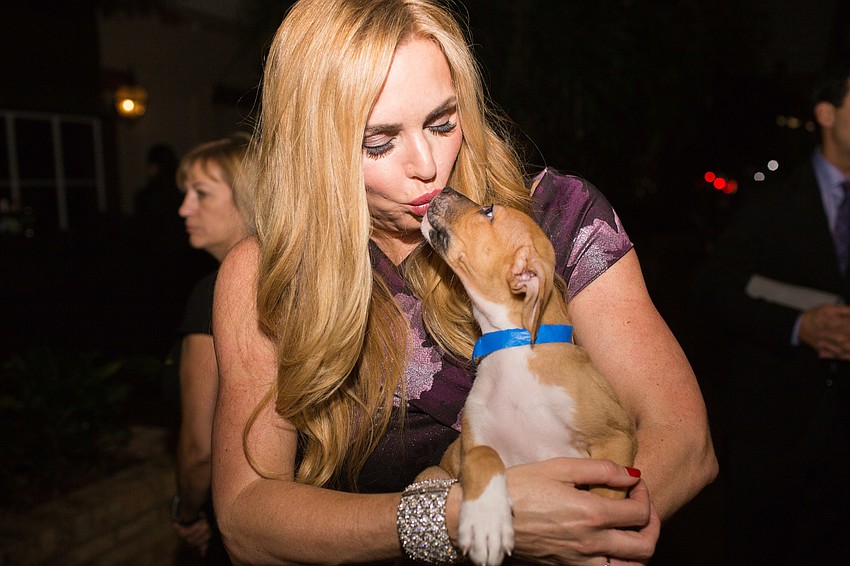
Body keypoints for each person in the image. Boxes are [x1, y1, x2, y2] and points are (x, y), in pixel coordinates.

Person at [212, 1, 718, 564]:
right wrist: (449, 516)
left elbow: (684, 440)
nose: (427, 164)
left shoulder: (554, 221)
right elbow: (245, 517)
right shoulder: (269, 273)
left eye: (442, 122)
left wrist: (597, 531)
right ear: (315, 148)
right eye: (379, 142)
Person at [691, 63, 850, 563]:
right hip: (775, 423)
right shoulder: (772, 199)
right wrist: (798, 326)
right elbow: (714, 291)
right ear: (826, 113)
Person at [170, 133, 253, 565]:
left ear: (247, 197)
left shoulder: (215, 291)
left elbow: (200, 447)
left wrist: (185, 513)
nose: (185, 208)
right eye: (185, 193)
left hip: (234, 527)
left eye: (200, 194)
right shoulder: (292, 280)